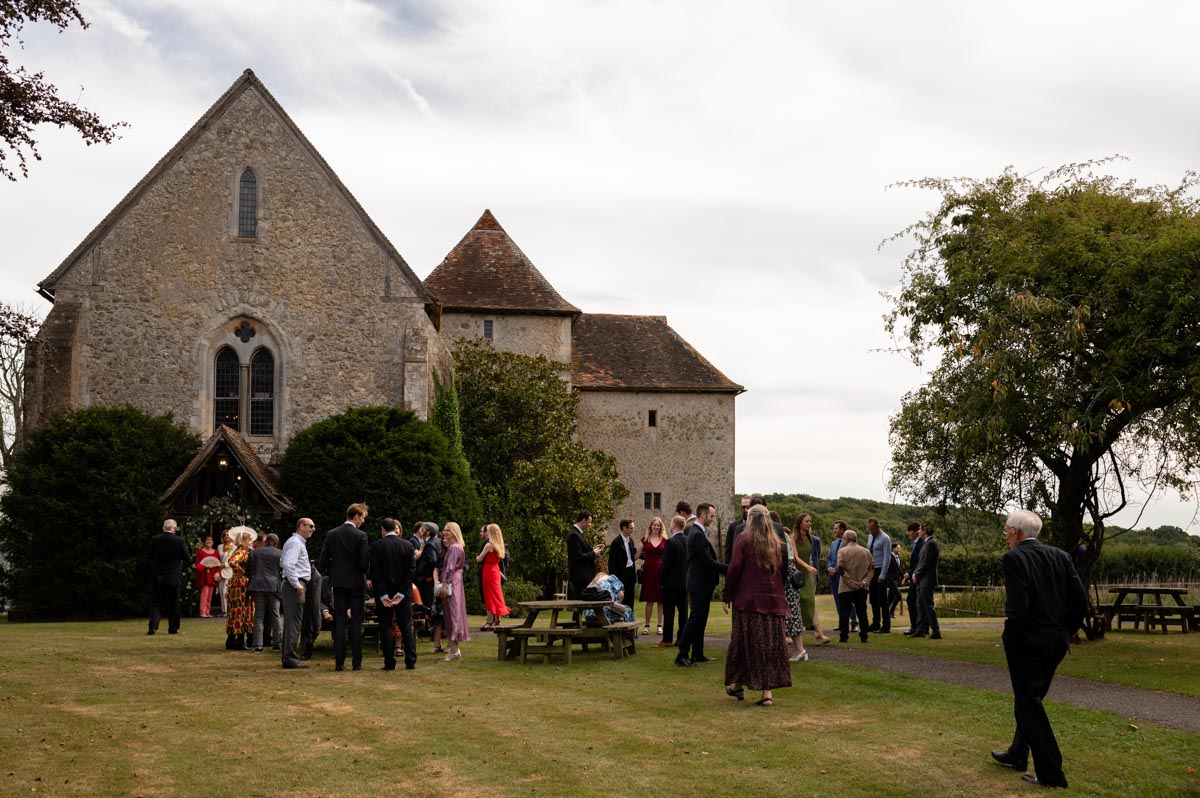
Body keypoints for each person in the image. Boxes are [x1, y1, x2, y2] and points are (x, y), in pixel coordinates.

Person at [991, 510, 1087, 789]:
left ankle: (1051, 773)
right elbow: (1079, 601)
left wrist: (1013, 636)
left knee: (1029, 703)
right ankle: (1018, 752)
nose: (1006, 534)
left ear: (1018, 533)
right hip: (1055, 641)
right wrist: (1065, 632)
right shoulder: (1061, 556)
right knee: (1030, 699)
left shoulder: (1014, 558)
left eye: (1007, 530)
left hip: (1027, 641)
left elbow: (1018, 607)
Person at [723, 505, 791, 706]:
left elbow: (734, 568)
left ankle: (738, 685)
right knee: (768, 646)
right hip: (773, 600)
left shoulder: (743, 539)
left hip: (749, 600)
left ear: (751, 519)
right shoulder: (777, 543)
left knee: (744, 643)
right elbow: (784, 571)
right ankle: (765, 692)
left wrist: (728, 593)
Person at [319, 502, 371, 671]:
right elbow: (364, 564)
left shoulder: (332, 534)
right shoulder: (361, 536)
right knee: (356, 622)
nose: (362, 521)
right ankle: (357, 662)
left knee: (340, 622)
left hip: (339, 583)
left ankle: (339, 662)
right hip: (356, 584)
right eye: (362, 518)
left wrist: (334, 571)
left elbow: (323, 561)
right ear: (356, 516)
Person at [676, 502, 727, 667]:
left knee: (701, 620)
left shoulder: (698, 532)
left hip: (702, 583)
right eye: (711, 516)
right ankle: (682, 654)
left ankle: (697, 653)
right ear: (703, 515)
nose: (713, 519)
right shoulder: (697, 533)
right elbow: (707, 561)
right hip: (698, 583)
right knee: (695, 619)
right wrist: (728, 569)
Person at [371, 518, 416, 671]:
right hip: (403, 593)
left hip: (384, 593)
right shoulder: (408, 546)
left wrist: (383, 594)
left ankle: (389, 662)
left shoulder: (377, 546)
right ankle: (410, 660)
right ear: (395, 528)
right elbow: (410, 572)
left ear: (383, 529)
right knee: (406, 626)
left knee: (386, 627)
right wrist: (402, 593)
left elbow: (375, 572)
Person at [280, 517, 316, 669]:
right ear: (301, 526)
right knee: (294, 623)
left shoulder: (295, 542)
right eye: (310, 526)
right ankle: (290, 658)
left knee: (292, 623)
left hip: (295, 584)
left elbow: (283, 561)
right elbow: (288, 564)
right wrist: (296, 584)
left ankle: (288, 657)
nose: (313, 529)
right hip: (295, 585)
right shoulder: (295, 542)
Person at [791, 514, 830, 645]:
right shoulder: (793, 538)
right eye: (806, 521)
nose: (809, 523)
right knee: (795, 602)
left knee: (810, 600)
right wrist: (808, 567)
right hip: (796, 573)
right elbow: (795, 557)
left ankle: (819, 633)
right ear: (800, 523)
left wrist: (811, 568)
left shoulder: (811, 539)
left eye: (810, 521)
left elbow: (815, 555)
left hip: (807, 574)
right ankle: (790, 632)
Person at [148, 518, 190, 635]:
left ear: (163, 528)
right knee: (174, 602)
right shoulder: (179, 541)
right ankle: (173, 627)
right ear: (175, 529)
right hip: (173, 575)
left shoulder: (155, 540)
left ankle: (153, 626)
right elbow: (187, 558)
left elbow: (150, 556)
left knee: (156, 602)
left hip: (158, 575)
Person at [439, 522, 470, 661]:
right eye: (444, 530)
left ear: (454, 532)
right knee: (452, 614)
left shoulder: (454, 548)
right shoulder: (456, 547)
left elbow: (449, 568)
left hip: (452, 583)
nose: (445, 532)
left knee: (453, 614)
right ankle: (453, 648)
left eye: (448, 530)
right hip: (455, 581)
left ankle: (453, 649)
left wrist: (444, 585)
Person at [247, 532, 283, 652]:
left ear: (266, 541)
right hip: (273, 586)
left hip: (257, 585)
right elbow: (283, 570)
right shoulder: (280, 553)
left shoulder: (254, 553)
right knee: (275, 614)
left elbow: (249, 571)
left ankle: (258, 645)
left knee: (258, 615)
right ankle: (277, 643)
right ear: (276, 543)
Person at [657, 514, 689, 649]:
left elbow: (665, 565)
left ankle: (667, 639)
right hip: (685, 583)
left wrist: (662, 580)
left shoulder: (670, 542)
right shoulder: (688, 541)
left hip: (670, 584)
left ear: (674, 526)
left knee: (669, 612)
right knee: (683, 612)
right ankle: (681, 638)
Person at [835, 530, 873, 644]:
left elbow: (841, 569)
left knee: (844, 612)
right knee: (862, 612)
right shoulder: (866, 552)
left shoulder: (842, 551)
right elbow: (871, 570)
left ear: (846, 539)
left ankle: (844, 636)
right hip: (861, 587)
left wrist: (851, 583)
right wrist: (864, 582)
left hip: (846, 587)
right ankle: (864, 635)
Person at [909, 525, 942, 639]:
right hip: (922, 580)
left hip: (927, 580)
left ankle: (936, 630)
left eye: (920, 529)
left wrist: (916, 573)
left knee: (928, 606)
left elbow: (925, 562)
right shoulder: (926, 543)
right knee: (920, 605)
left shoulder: (931, 544)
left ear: (925, 531)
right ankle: (920, 630)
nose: (918, 531)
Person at [224, 529, 255, 650]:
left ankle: (232, 640)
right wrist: (242, 571)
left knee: (236, 611)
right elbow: (232, 562)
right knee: (241, 611)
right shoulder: (241, 551)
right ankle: (239, 641)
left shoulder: (240, 551)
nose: (251, 543)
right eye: (249, 541)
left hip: (236, 584)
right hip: (240, 585)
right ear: (243, 541)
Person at [476, 523, 511, 630]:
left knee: (489, 595)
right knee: (496, 593)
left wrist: (477, 557)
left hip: (488, 570)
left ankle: (489, 620)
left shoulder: (489, 545)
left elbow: (480, 558)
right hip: (496, 570)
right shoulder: (500, 545)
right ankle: (497, 619)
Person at [825, 520, 856, 632]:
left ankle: (854, 622)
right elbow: (828, 558)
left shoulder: (848, 544)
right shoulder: (833, 544)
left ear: (842, 530)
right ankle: (842, 623)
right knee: (838, 601)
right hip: (833, 578)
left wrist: (837, 570)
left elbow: (848, 561)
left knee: (848, 600)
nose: (834, 530)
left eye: (836, 528)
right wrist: (829, 568)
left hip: (844, 577)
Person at [607, 519, 638, 625]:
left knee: (630, 601)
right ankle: (620, 625)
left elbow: (632, 556)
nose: (633, 530)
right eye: (631, 528)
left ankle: (631, 624)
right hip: (621, 575)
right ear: (624, 528)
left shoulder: (631, 541)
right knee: (621, 603)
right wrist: (615, 581)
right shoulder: (616, 542)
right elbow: (611, 563)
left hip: (630, 574)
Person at [566, 511, 603, 599]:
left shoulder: (579, 533)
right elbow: (578, 556)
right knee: (582, 603)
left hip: (584, 575)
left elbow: (582, 550)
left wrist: (594, 549)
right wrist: (593, 553)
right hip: (580, 576)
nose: (590, 525)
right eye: (589, 522)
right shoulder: (574, 535)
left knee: (583, 605)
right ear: (583, 520)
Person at [639, 517, 666, 635]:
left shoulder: (665, 540)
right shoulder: (645, 539)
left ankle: (660, 625)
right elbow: (636, 555)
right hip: (648, 571)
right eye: (654, 525)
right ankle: (646, 625)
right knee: (649, 600)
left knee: (661, 600)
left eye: (658, 525)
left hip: (660, 572)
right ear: (651, 526)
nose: (656, 527)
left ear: (660, 527)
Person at [865, 518, 892, 633]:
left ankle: (886, 625)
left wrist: (883, 574)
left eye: (872, 529)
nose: (871, 531)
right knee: (873, 599)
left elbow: (887, 557)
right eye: (869, 529)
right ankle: (875, 623)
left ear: (877, 527)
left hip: (881, 568)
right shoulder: (870, 537)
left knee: (882, 599)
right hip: (872, 569)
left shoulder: (885, 538)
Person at [901, 522, 925, 633]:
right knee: (915, 601)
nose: (908, 533)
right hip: (914, 576)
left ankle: (916, 627)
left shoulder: (921, 543)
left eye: (910, 531)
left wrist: (909, 574)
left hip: (917, 577)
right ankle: (917, 627)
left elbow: (918, 562)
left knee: (913, 600)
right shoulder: (916, 543)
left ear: (916, 531)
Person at [194, 534, 221, 618]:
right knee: (204, 594)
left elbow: (218, 564)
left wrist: (218, 573)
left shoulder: (216, 552)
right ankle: (202, 612)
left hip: (212, 575)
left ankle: (208, 612)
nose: (209, 542)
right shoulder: (200, 551)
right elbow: (198, 564)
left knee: (210, 595)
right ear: (204, 542)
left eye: (210, 540)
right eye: (207, 540)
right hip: (204, 575)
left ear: (213, 542)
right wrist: (205, 566)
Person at [217, 528, 236, 616]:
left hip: (229, 570)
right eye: (224, 535)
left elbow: (235, 560)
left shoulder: (234, 547)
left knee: (226, 591)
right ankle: (223, 610)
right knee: (221, 591)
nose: (226, 536)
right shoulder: (220, 546)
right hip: (220, 570)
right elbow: (217, 557)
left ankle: (228, 611)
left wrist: (226, 565)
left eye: (228, 534)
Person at [887, 543, 904, 619]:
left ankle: (885, 613)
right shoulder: (889, 557)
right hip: (891, 580)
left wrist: (905, 577)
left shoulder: (898, 558)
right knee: (899, 595)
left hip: (896, 581)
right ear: (893, 549)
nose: (899, 549)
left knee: (890, 598)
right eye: (897, 548)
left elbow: (899, 570)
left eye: (899, 548)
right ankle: (891, 612)